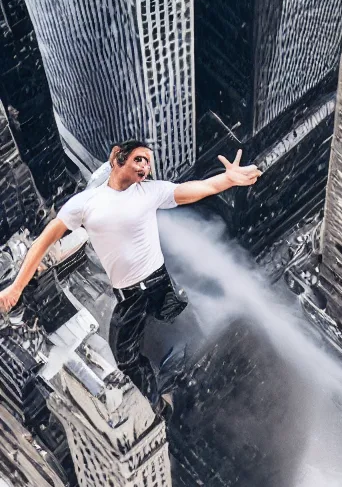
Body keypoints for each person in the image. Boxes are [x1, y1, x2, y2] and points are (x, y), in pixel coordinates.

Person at [0, 140, 261, 404]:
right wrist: (17, 286)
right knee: (131, 355)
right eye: (139, 160)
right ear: (116, 160)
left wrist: (227, 180)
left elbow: (193, 190)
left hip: (156, 287)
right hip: (131, 295)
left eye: (148, 162)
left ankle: (199, 379)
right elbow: (43, 243)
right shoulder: (85, 205)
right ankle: (165, 398)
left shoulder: (148, 192)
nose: (145, 167)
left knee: (184, 336)